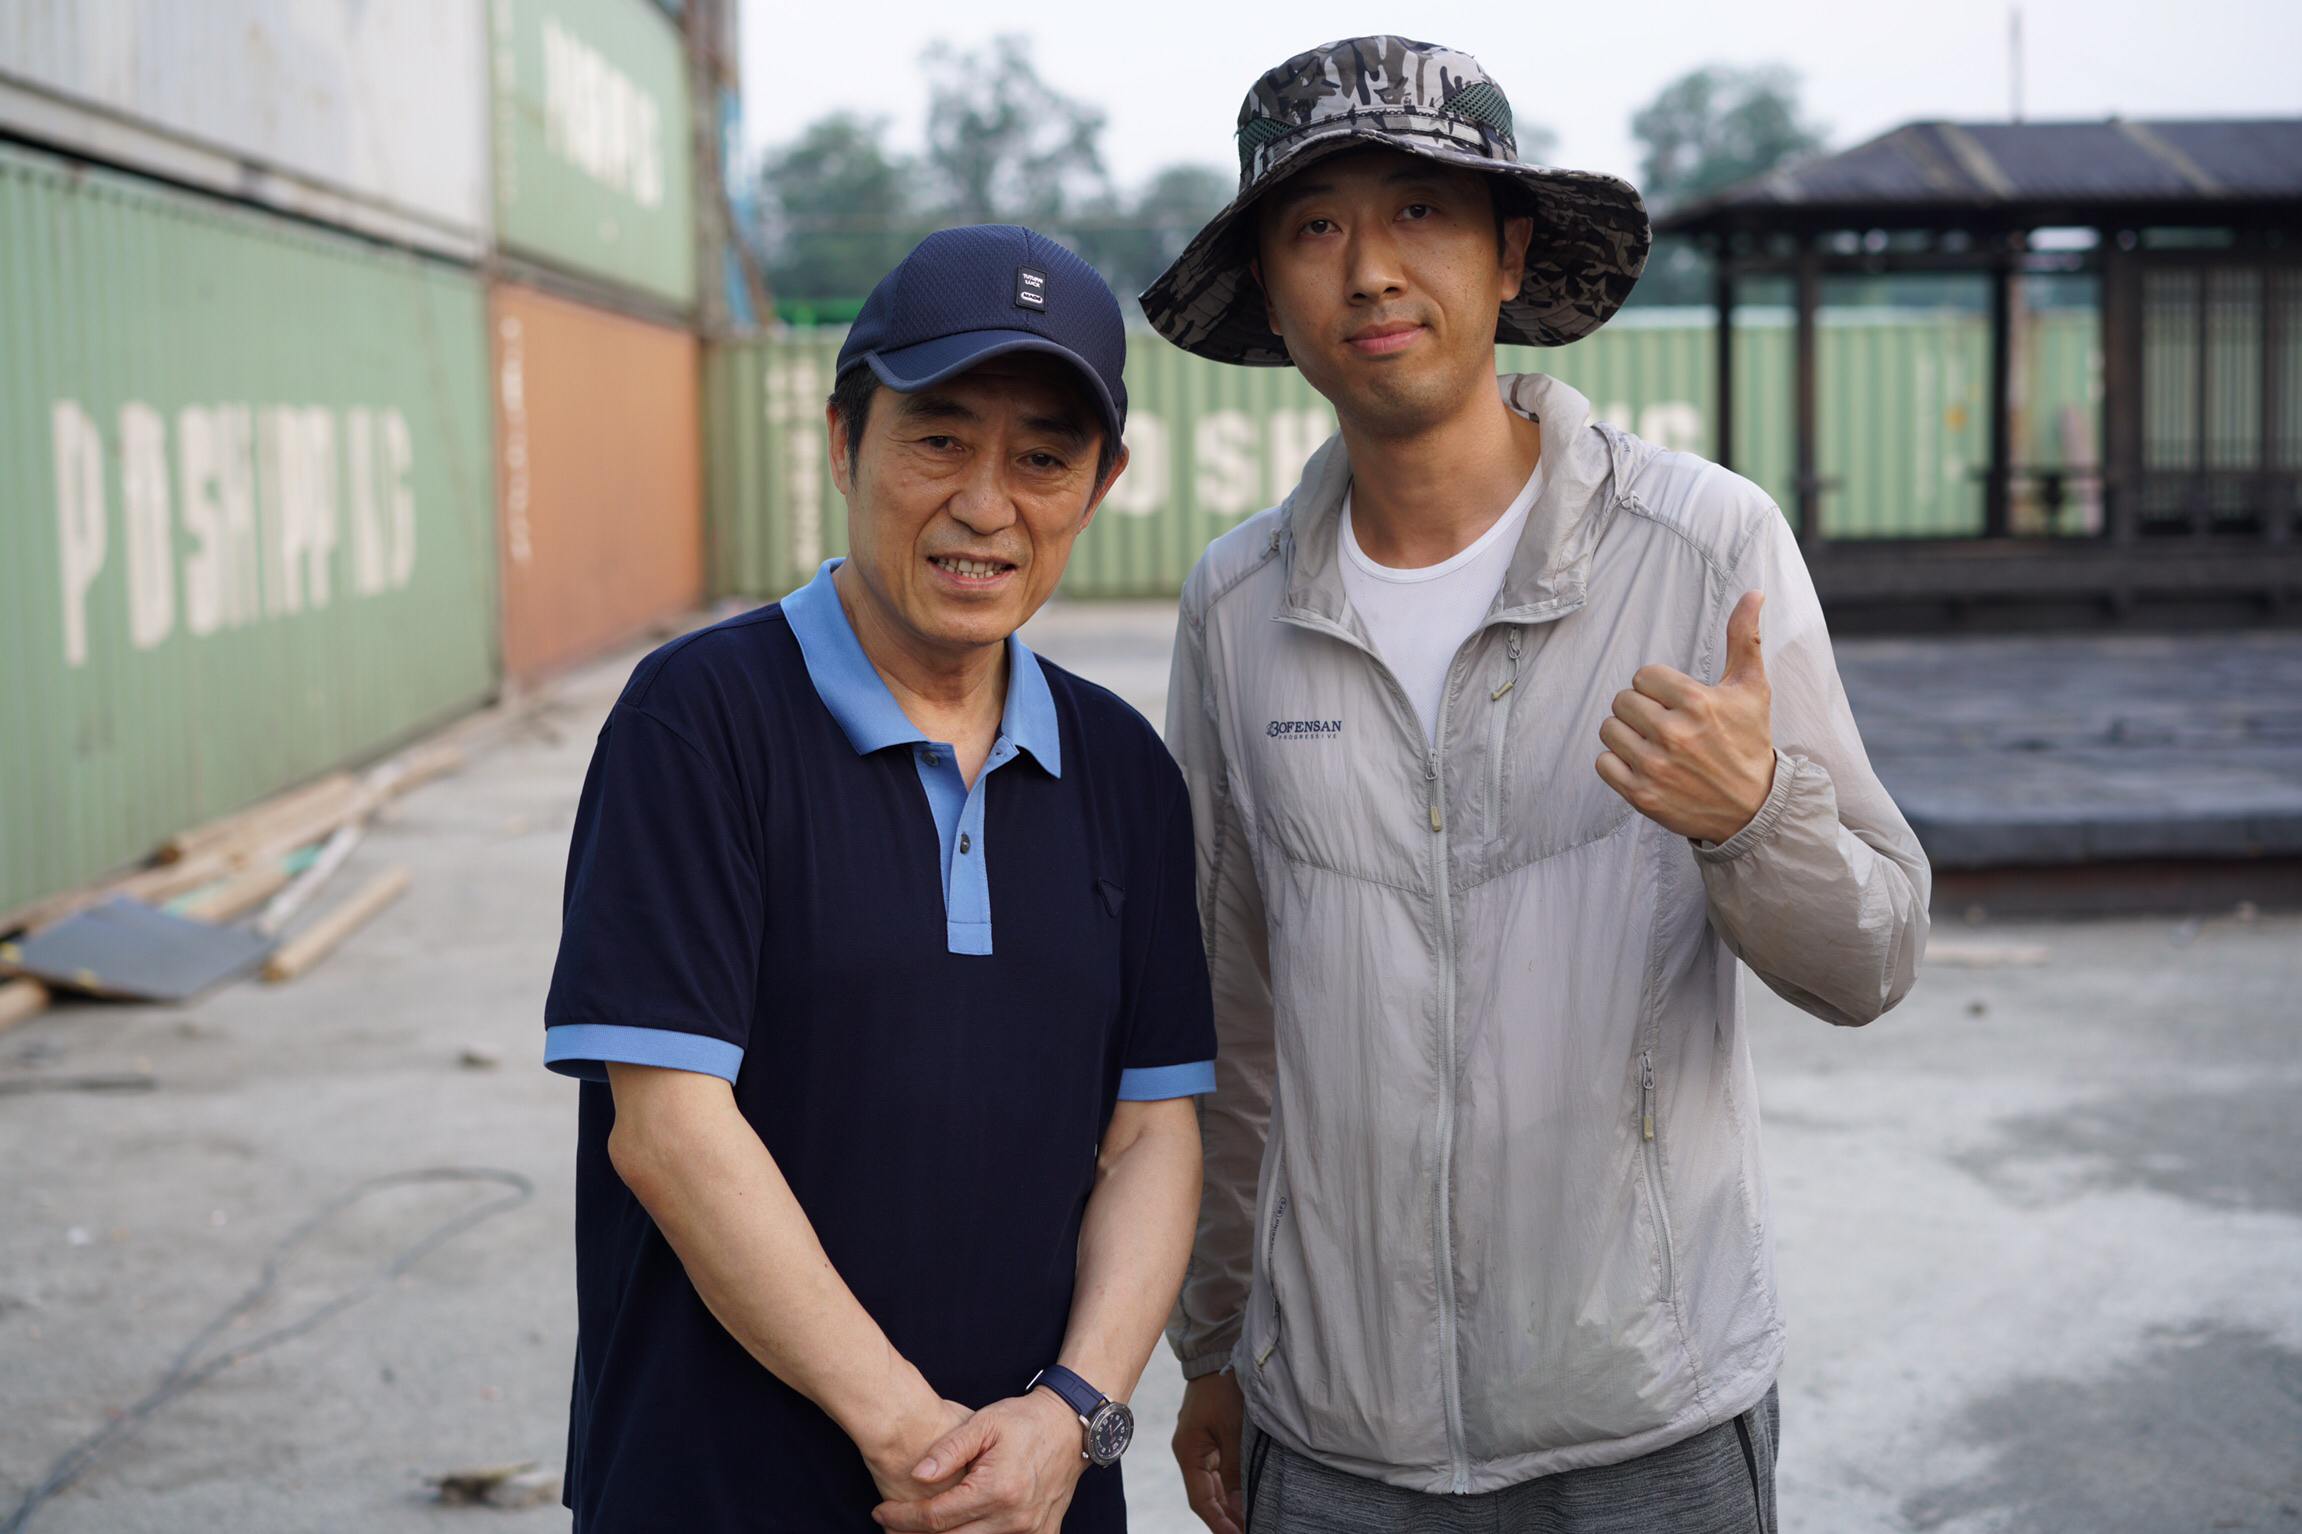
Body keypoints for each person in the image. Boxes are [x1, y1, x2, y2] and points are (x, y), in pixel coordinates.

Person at [1139, 37, 1930, 1534]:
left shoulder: (1700, 551)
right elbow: (1226, 1014)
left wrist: (1754, 818)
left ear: (1508, 255)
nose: (1370, 270)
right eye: (1314, 227)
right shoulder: (1235, 607)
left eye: (1418, 213)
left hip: (1646, 1410)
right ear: (1269, 293)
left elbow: (1872, 960)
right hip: (1336, 1429)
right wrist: (1215, 1339)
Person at [542, 224, 1215, 1534]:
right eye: (939, 440)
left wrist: (1070, 1416)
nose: (986, 506)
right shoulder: (700, 721)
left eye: (1043, 458)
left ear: (1100, 485)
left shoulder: (1121, 768)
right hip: (724, 1492)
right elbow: (668, 1129)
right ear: (844, 443)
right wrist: (926, 1448)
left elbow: (1151, 1133)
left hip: (1039, 1496)